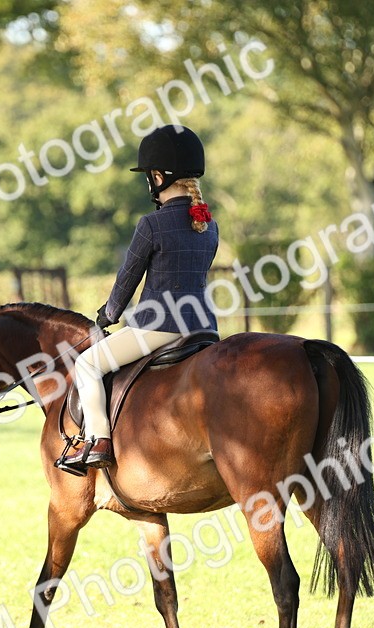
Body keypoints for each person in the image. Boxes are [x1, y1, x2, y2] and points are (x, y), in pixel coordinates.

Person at [64, 124, 220, 470]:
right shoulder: (209, 224)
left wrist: (108, 314)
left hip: (159, 327)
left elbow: (127, 280)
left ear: (159, 176)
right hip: (205, 329)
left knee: (87, 363)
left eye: (149, 176)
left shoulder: (152, 224)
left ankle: (98, 440)